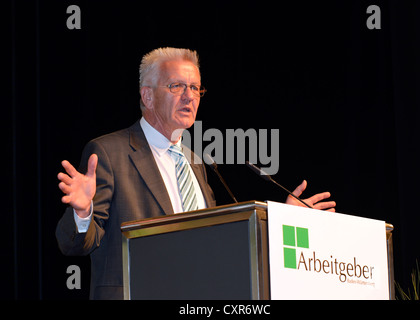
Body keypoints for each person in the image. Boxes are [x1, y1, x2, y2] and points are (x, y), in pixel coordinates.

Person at [56, 47, 336, 300]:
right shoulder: (109, 153)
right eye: (177, 86)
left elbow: (218, 244)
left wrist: (282, 221)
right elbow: (77, 244)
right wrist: (83, 213)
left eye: (195, 88)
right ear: (148, 95)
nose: (190, 96)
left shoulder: (196, 162)